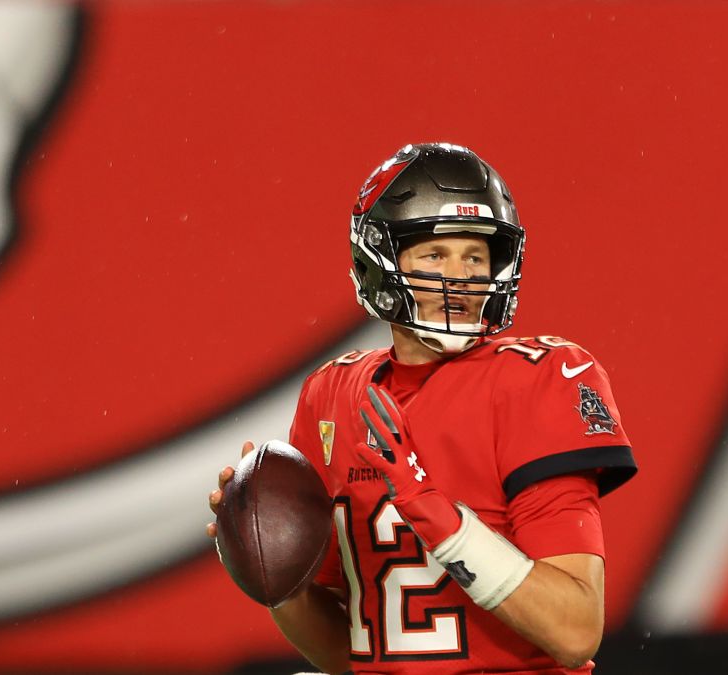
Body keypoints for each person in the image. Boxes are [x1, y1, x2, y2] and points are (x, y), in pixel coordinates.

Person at [206, 142, 637, 674]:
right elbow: (348, 654)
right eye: (435, 254)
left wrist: (430, 507)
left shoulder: (536, 380)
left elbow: (574, 632)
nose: (459, 278)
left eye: (475, 256)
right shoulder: (331, 394)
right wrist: (275, 578)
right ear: (380, 263)